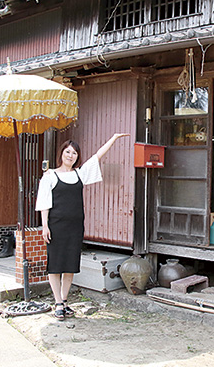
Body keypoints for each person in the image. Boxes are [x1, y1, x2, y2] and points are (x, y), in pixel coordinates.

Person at [35, 133, 129, 320]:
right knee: (55, 265)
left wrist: (114, 138)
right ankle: (57, 303)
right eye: (67, 152)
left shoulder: (80, 174)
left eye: (74, 153)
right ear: (61, 154)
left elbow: (97, 157)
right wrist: (45, 226)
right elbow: (44, 202)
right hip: (56, 226)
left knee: (70, 265)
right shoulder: (50, 175)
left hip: (75, 227)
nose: (70, 155)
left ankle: (64, 301)